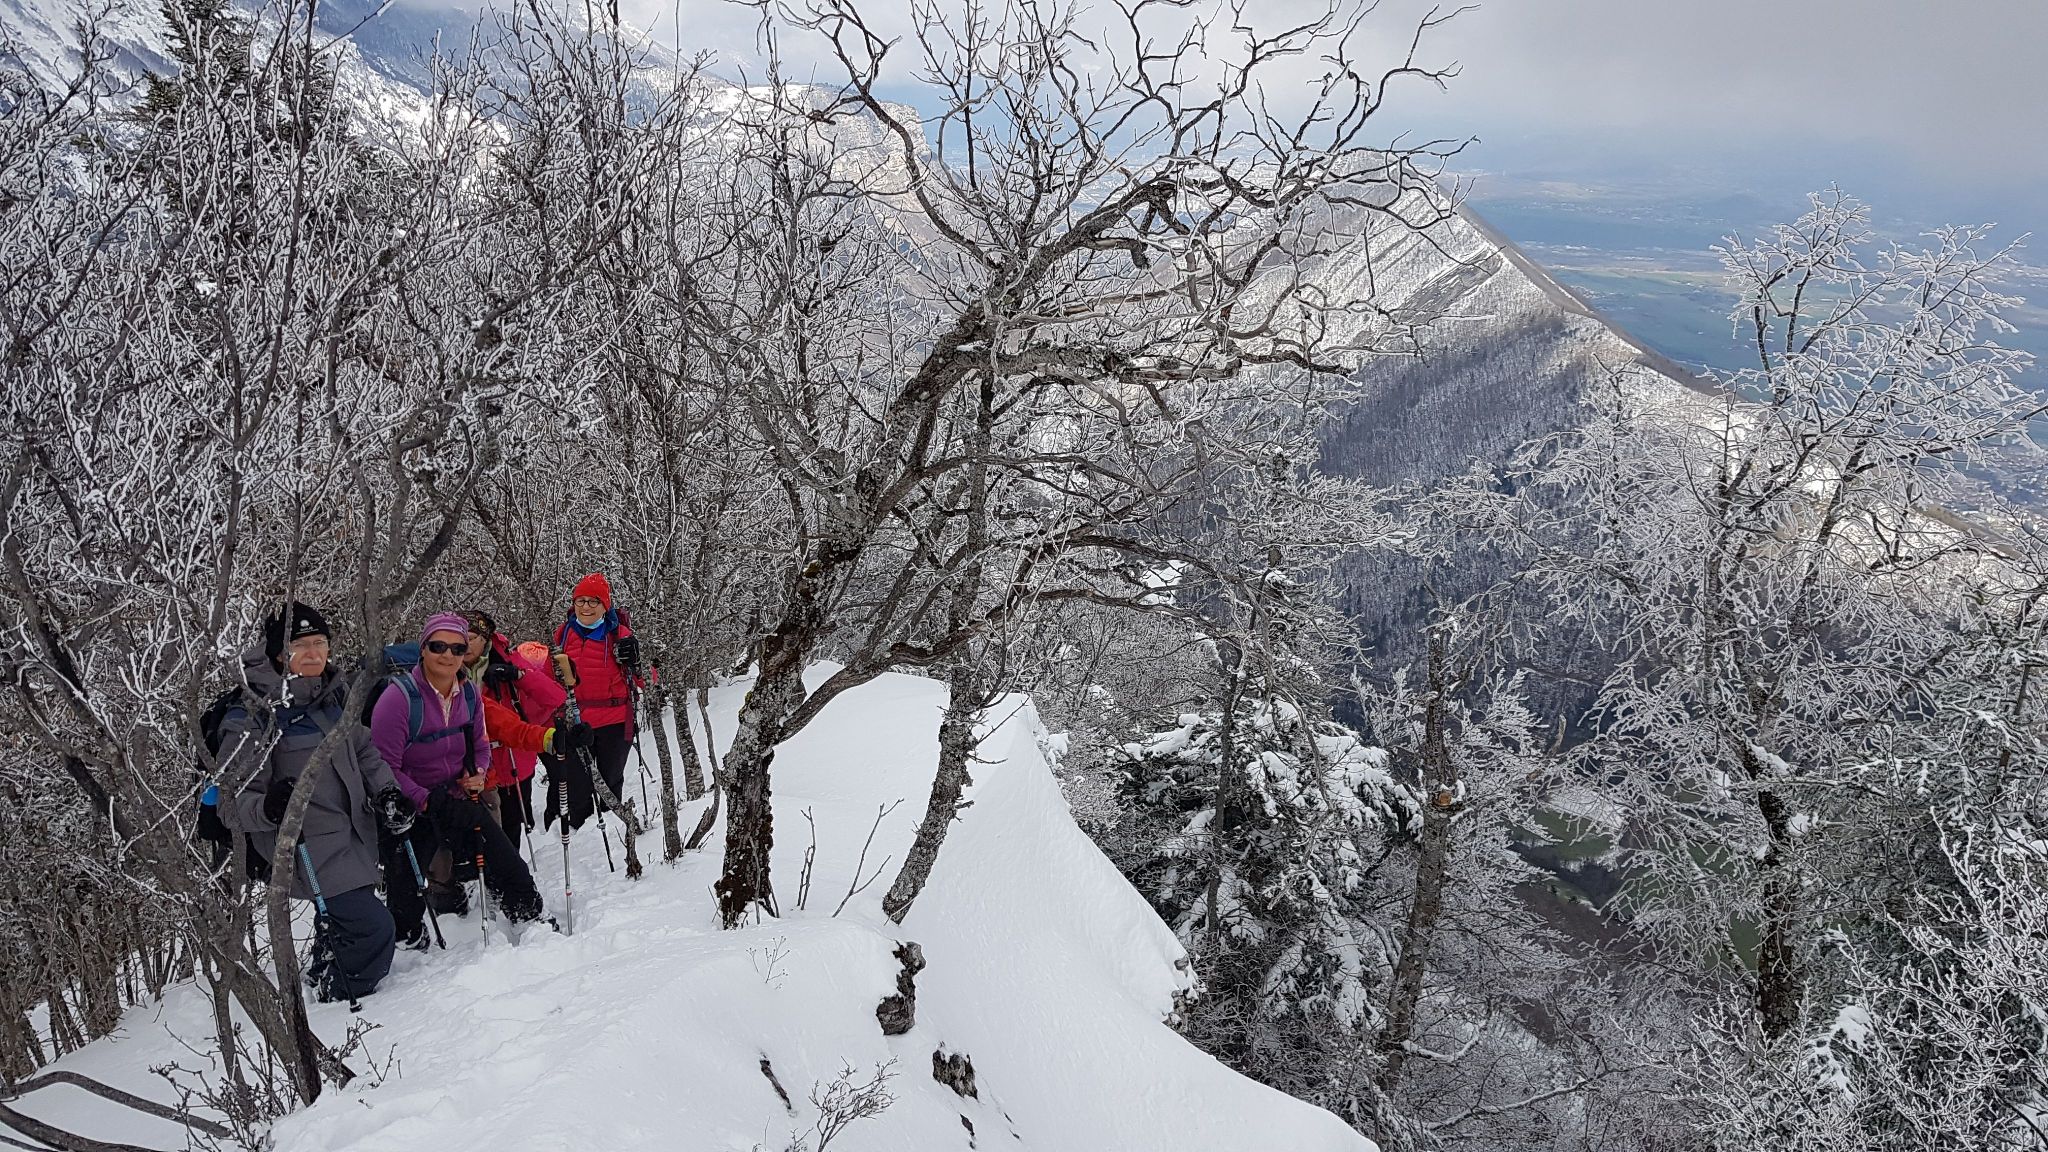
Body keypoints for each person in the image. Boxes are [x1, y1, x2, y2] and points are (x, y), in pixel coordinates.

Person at [225, 602, 411, 1003]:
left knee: (348, 922)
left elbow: (363, 750)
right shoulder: (254, 714)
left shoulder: (333, 694)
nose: (313, 653)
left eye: (320, 642)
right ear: (279, 654)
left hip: (353, 834)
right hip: (306, 847)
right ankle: (341, 999)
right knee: (374, 929)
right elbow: (232, 801)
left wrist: (387, 791)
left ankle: (324, 977)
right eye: (301, 645)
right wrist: (268, 807)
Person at [373, 611, 548, 945]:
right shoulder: (397, 700)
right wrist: (423, 799)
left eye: (457, 648)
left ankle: (527, 914)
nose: (448, 655)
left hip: (455, 797)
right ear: (423, 648)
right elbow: (383, 767)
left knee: (507, 860)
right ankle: (409, 940)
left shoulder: (468, 694)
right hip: (409, 807)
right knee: (406, 887)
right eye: (438, 646)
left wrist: (477, 773)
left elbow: (480, 744)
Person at [463, 610, 590, 854]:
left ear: (485, 638)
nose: (465, 645)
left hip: (511, 762)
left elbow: (554, 696)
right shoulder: (447, 665)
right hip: (467, 767)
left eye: (471, 638)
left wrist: (516, 675)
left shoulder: (508, 659)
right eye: (460, 638)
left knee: (509, 830)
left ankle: (509, 871)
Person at [547, 574, 645, 831]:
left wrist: (636, 662)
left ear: (605, 605)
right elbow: (549, 675)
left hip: (614, 721)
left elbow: (647, 680)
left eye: (594, 601)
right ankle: (581, 831)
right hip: (576, 721)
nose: (586, 607)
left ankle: (613, 831)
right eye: (580, 601)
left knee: (610, 781)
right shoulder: (563, 634)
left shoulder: (620, 635)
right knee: (577, 783)